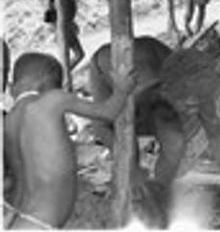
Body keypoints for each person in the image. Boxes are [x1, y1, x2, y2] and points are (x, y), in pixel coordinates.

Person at [3, 52, 136, 229]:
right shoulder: (53, 99)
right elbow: (107, 112)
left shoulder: (7, 121)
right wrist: (121, 90)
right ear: (49, 86)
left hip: (18, 219)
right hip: (43, 223)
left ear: (12, 87)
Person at [44, 0, 85, 71]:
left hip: (66, 22)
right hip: (63, 24)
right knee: (77, 54)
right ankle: (61, 75)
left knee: (77, 54)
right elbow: (52, 6)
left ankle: (62, 74)